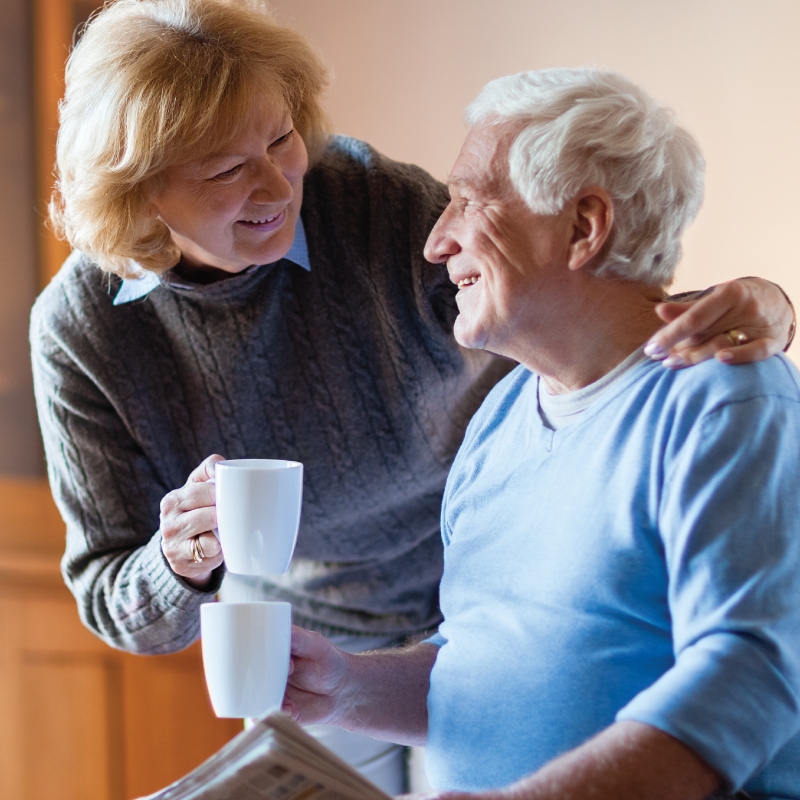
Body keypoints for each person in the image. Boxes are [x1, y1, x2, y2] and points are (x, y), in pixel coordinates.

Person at [30, 0, 793, 784]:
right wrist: (186, 565)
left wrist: (753, 306)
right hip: (328, 648)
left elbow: (569, 292)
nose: (279, 183)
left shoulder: (367, 204)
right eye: (226, 169)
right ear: (141, 194)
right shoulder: (81, 332)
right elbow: (114, 587)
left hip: (468, 611)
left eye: (283, 137)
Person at [282, 68, 800, 799]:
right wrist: (346, 688)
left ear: (584, 227)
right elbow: (481, 665)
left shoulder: (725, 397)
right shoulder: (498, 417)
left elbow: (752, 671)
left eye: (467, 202)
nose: (436, 241)